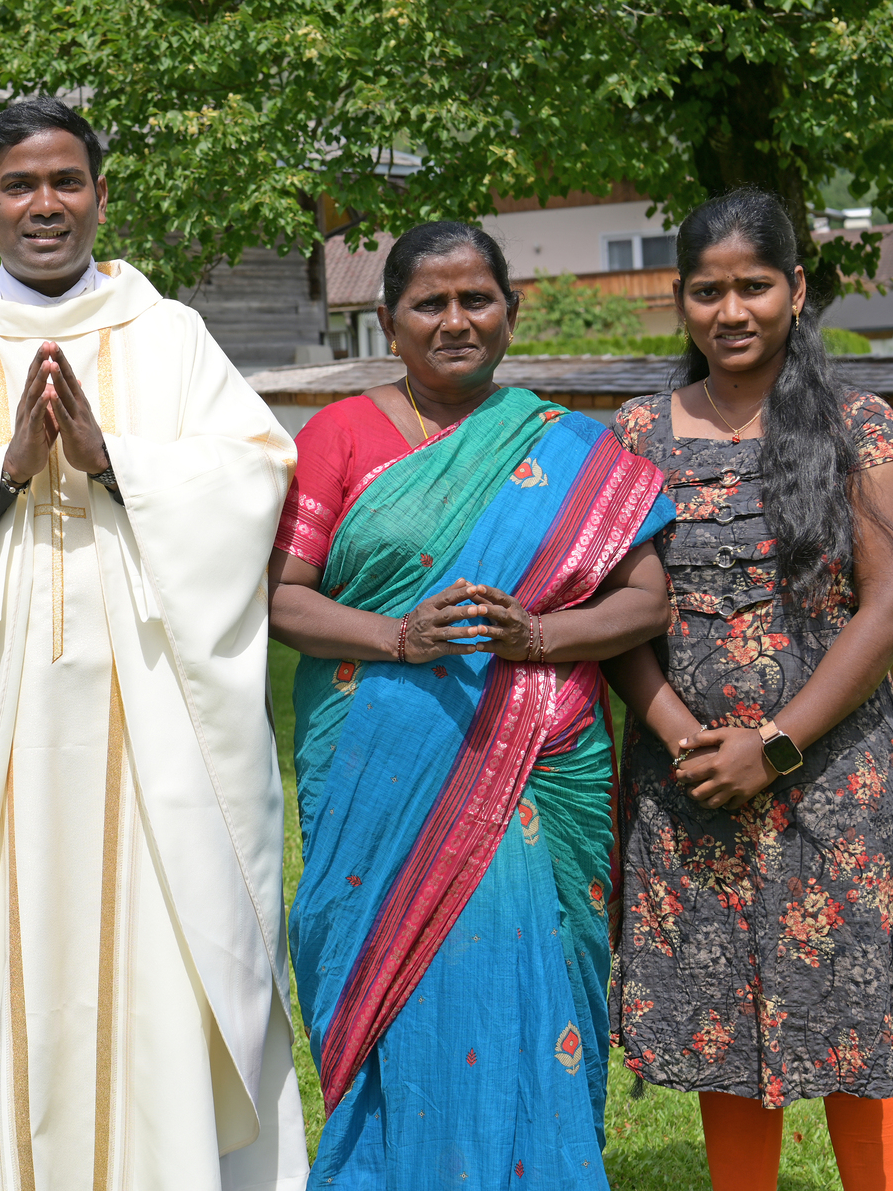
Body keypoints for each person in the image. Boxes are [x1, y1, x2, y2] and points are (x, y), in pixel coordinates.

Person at [0, 97, 309, 1190]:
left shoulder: (172, 338)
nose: (43, 205)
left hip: (153, 728)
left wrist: (117, 463)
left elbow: (256, 472)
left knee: (165, 959)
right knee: (2, 974)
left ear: (101, 194)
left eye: (65, 182)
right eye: (19, 184)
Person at [272, 221, 675, 1187]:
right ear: (388, 319)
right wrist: (397, 634)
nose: (455, 321)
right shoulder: (340, 434)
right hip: (382, 762)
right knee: (397, 990)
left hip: (538, 758)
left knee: (532, 975)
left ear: (509, 309)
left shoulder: (572, 447)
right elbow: (287, 597)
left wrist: (537, 636)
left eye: (477, 299)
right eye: (428, 303)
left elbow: (645, 600)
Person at [606, 187, 893, 1191]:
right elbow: (615, 609)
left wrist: (772, 745)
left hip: (836, 783)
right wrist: (688, 740)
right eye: (706, 290)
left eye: (754, 286)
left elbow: (891, 605)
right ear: (679, 300)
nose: (730, 310)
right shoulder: (636, 435)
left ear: (797, 289)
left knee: (859, 1032)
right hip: (688, 785)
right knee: (717, 1022)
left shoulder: (861, 425)